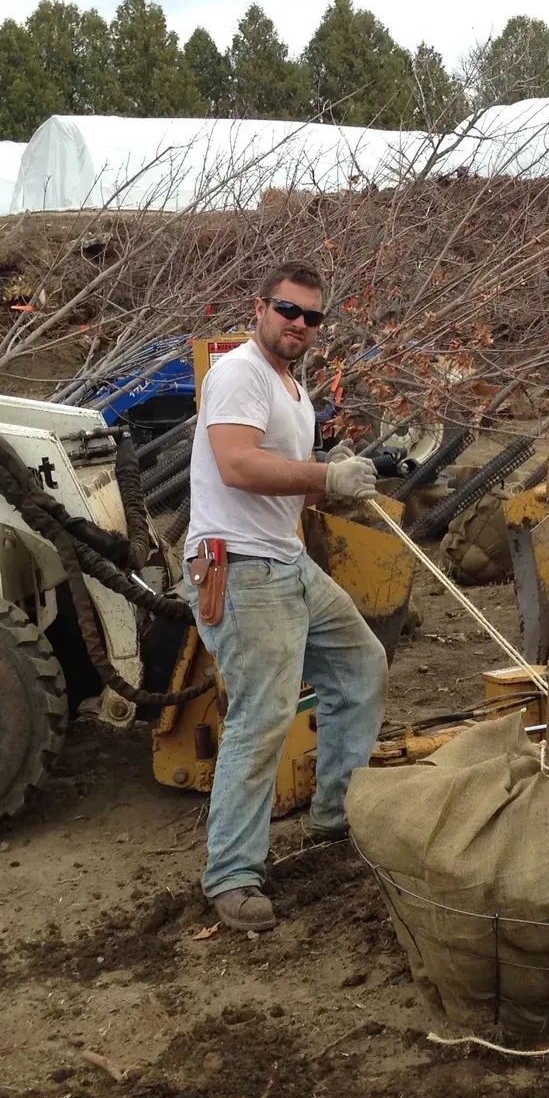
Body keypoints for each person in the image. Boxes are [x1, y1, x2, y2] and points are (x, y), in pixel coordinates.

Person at [179, 261, 387, 934]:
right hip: (240, 570)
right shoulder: (238, 373)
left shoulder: (292, 390)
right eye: (287, 310)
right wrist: (326, 472)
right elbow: (238, 465)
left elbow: (285, 480)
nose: (298, 324)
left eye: (311, 317)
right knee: (262, 718)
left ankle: (337, 816)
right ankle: (232, 876)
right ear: (259, 306)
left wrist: (333, 484)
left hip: (286, 563)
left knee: (359, 666)